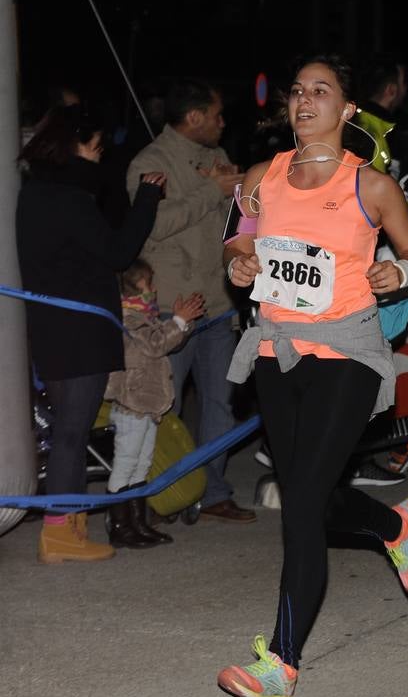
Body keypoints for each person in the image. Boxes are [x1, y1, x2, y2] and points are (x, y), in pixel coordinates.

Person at [216, 54, 408, 697]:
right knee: (307, 492)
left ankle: (281, 665)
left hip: (348, 353)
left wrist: (402, 272)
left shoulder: (372, 187)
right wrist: (239, 262)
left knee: (302, 506)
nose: (305, 100)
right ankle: (395, 528)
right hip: (276, 352)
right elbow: (237, 241)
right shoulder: (262, 177)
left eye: (321, 91)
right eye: (297, 92)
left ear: (347, 111)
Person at [17, 105, 165, 563]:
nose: (101, 157)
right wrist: (147, 199)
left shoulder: (34, 193)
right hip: (79, 330)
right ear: (76, 145)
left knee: (70, 429)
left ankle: (69, 526)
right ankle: (60, 532)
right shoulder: (69, 199)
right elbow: (118, 253)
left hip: (53, 327)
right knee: (72, 432)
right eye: (97, 147)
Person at [128, 78, 254, 524]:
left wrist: (238, 193)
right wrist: (211, 192)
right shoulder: (151, 161)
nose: (223, 123)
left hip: (218, 302)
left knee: (221, 404)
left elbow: (236, 222)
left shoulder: (217, 159)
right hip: (171, 306)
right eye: (217, 115)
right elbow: (153, 227)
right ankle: (166, 493)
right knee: (165, 406)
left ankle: (212, 490)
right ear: (195, 116)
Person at [103, 259, 205, 548]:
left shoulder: (145, 317)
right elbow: (156, 343)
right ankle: (120, 526)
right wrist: (178, 320)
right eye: (149, 284)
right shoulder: (127, 318)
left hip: (148, 405)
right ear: (133, 291)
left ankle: (138, 522)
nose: (154, 289)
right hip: (132, 404)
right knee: (125, 464)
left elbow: (167, 339)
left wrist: (183, 322)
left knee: (143, 463)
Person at [353, 54, 407, 173]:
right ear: (391, 90)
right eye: (403, 83)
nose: (405, 90)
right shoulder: (372, 136)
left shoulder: (355, 121)